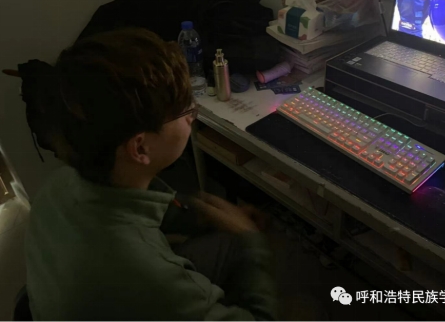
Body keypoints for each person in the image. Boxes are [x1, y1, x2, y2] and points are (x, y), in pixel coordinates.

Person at [25, 28, 276, 320]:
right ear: (140, 147)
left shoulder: (58, 185)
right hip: (133, 289)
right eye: (185, 110)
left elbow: (128, 207)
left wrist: (194, 213)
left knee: (224, 242)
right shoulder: (148, 276)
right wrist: (252, 241)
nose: (192, 115)